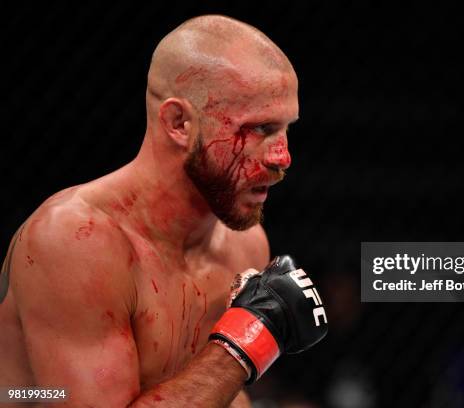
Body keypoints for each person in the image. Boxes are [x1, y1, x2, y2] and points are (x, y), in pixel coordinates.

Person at [0, 15, 327, 407]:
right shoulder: (74, 242)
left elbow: (212, 394)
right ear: (179, 122)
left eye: (286, 128)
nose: (283, 158)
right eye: (260, 129)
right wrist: (244, 343)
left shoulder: (243, 247)